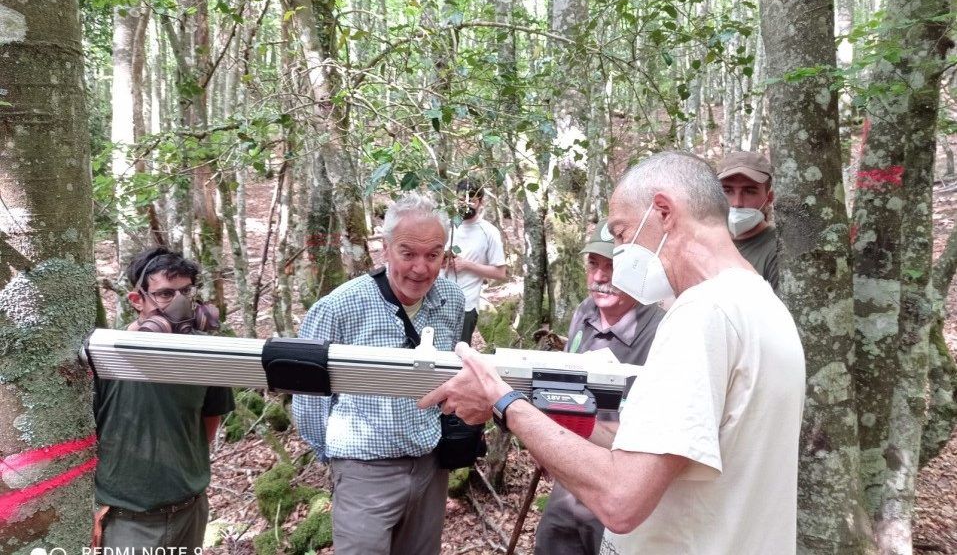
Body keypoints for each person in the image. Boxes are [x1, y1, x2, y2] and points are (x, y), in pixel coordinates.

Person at [421, 152, 806, 554]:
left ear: (663, 211)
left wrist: (505, 403)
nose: (619, 255)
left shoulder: (701, 314)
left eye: (621, 234)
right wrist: (533, 402)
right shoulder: (763, 306)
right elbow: (670, 452)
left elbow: (621, 500)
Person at [292, 193, 465, 555]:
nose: (421, 268)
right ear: (385, 250)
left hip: (431, 466)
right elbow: (307, 398)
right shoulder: (338, 308)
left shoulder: (451, 300)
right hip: (364, 470)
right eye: (408, 253)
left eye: (433, 255)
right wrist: (338, 460)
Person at [535, 219, 664, 555]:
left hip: (620, 489)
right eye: (593, 264)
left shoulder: (661, 330)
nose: (600, 277)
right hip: (569, 480)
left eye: (613, 266)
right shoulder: (584, 312)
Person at [93, 247, 234, 551]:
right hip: (127, 521)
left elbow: (207, 429)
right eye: (165, 294)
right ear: (136, 300)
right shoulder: (106, 355)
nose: (179, 303)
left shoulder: (208, 354)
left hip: (190, 511)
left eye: (186, 292)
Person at [441, 177, 507, 345]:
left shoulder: (489, 232)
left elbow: (500, 273)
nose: (466, 203)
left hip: (467, 305)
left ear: (480, 201)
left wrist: (467, 265)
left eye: (472, 199)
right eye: (462, 199)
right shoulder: (446, 226)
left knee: (459, 356)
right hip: (437, 300)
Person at [718, 151, 779, 289]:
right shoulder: (704, 241)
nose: (737, 202)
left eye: (749, 191)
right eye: (727, 191)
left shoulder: (778, 251)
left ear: (769, 198)